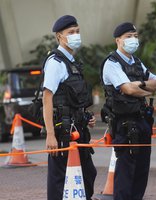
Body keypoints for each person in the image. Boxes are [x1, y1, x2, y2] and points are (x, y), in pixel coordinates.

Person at [100, 22, 156, 200]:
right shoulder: (112, 63)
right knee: (126, 172)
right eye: (128, 36)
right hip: (125, 124)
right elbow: (128, 89)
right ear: (118, 40)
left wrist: (140, 84)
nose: (133, 40)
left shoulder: (138, 63)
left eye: (135, 36)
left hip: (142, 121)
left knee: (142, 172)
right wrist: (144, 91)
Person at [43, 15, 97, 200]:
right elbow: (47, 98)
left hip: (78, 129)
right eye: (71, 33)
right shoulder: (55, 63)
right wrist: (50, 134)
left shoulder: (73, 63)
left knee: (88, 174)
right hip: (62, 132)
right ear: (59, 36)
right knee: (60, 181)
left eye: (77, 32)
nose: (76, 35)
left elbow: (74, 98)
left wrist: (86, 116)